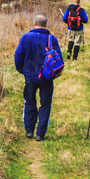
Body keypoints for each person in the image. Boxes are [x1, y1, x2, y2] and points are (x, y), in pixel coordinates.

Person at [14, 14, 62, 142]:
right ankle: (40, 133)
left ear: (34, 23)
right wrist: (54, 74)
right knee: (45, 104)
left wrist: (21, 70)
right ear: (46, 25)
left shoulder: (26, 38)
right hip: (47, 78)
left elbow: (18, 55)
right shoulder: (52, 39)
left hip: (30, 76)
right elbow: (59, 60)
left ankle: (29, 130)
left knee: (29, 101)